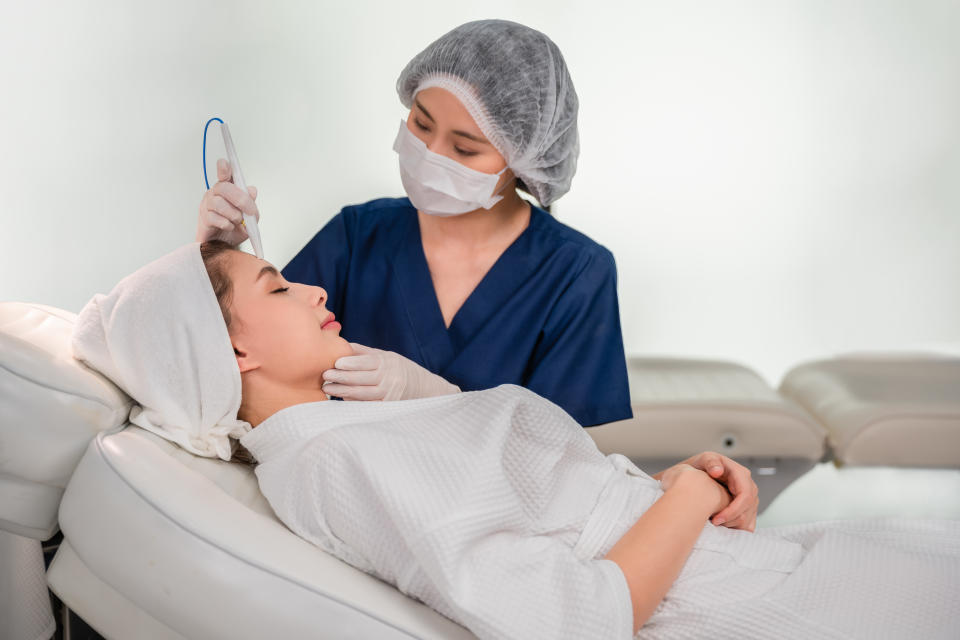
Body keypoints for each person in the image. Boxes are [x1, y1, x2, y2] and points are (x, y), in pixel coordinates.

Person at [72, 241, 960, 639]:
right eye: (275, 288)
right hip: (734, 604)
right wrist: (684, 501)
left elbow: (535, 515)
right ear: (228, 350)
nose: (310, 288)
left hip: (732, 568)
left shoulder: (346, 429)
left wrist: (667, 484)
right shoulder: (335, 460)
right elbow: (573, 621)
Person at [196, 19, 632, 426]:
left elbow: (565, 460)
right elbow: (234, 361)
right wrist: (211, 264)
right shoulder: (357, 236)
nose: (431, 153)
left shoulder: (576, 273)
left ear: (524, 159)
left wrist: (434, 396)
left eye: (464, 149)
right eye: (421, 123)